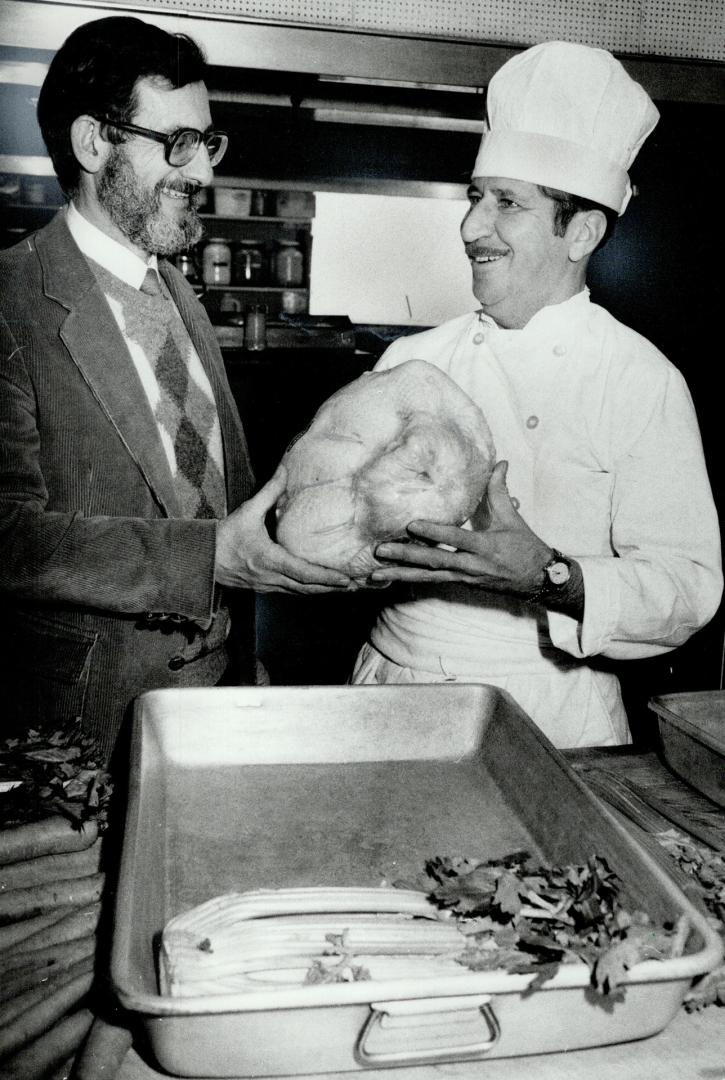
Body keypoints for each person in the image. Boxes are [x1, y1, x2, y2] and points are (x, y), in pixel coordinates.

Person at [0, 16, 352, 764]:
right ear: (96, 142)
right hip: (87, 725)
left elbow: (218, 488)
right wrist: (208, 559)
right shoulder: (10, 301)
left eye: (208, 143)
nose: (204, 173)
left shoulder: (176, 292)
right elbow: (6, 534)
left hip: (221, 700)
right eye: (178, 144)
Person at [351, 41, 722, 748]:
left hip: (548, 714)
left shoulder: (636, 379)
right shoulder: (411, 358)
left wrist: (550, 577)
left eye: (507, 205)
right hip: (388, 687)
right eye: (473, 198)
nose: (470, 228)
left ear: (580, 230)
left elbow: (686, 587)